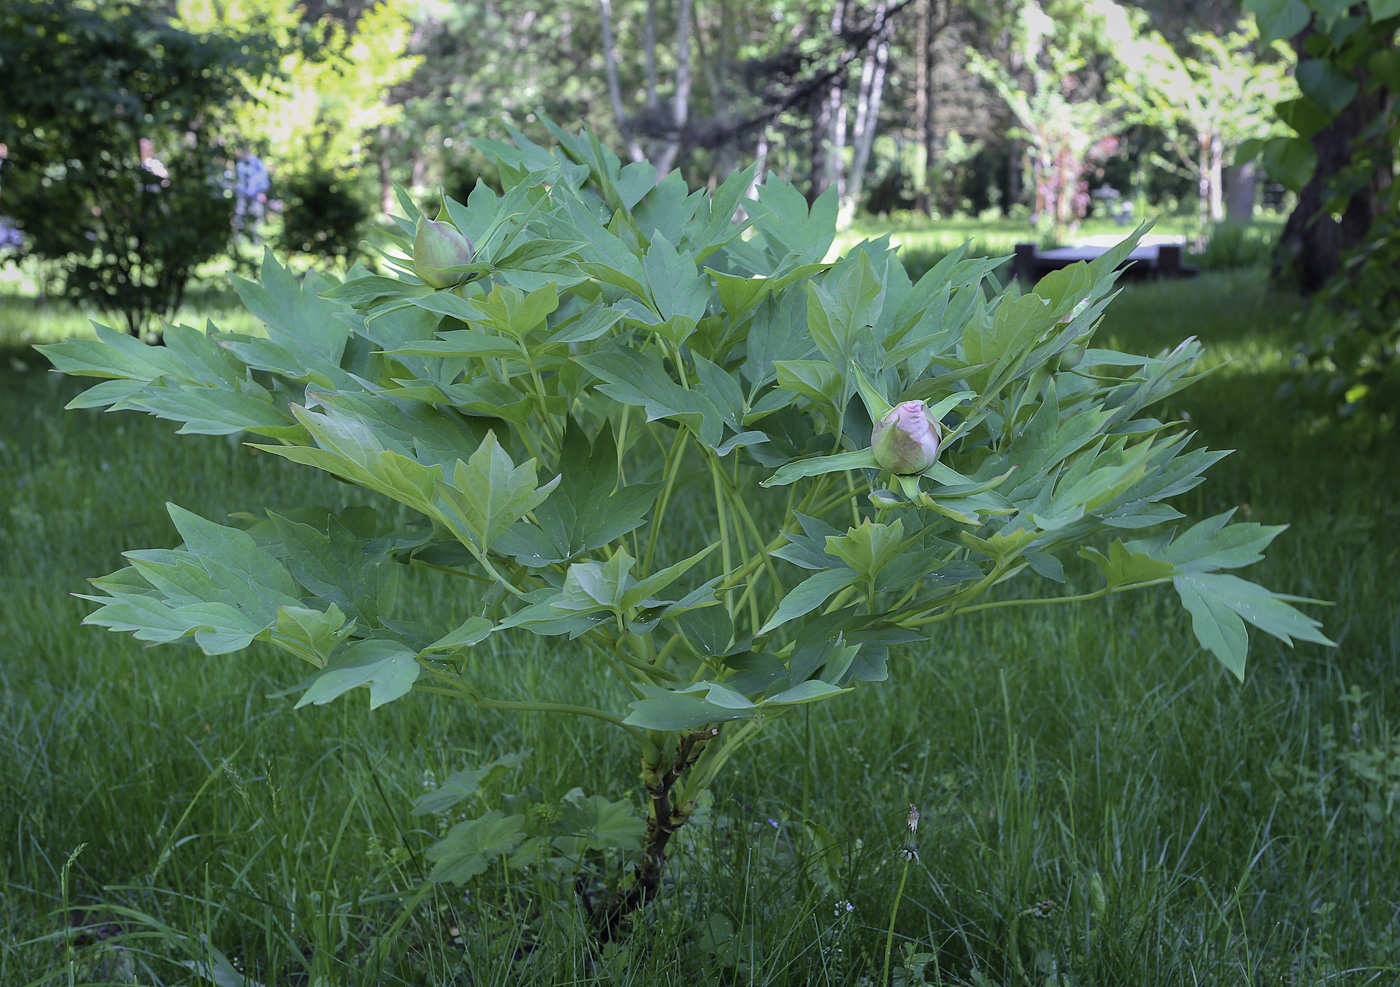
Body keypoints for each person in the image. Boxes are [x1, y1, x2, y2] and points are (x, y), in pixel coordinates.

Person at [233, 147, 270, 243]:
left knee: (257, 217)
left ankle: (257, 240)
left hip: (256, 195)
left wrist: (261, 191)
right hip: (242, 195)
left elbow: (263, 178)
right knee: (239, 215)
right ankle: (238, 239)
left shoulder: (257, 163)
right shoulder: (240, 164)